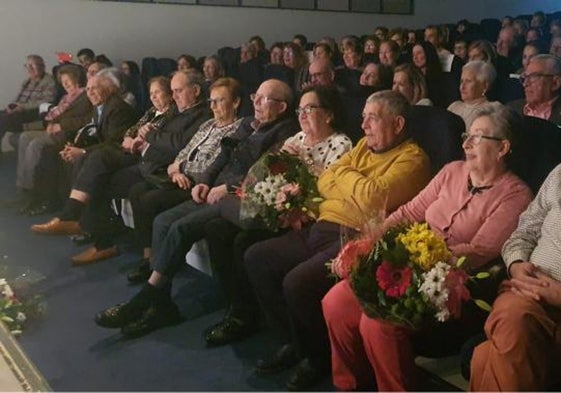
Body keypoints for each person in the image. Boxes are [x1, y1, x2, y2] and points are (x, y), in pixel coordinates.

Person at [323, 103, 533, 391]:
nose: (467, 144)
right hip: (407, 266)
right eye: (466, 137)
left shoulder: (516, 195)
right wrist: (370, 240)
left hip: (451, 284)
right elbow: (409, 212)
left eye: (478, 137)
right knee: (334, 301)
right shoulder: (452, 171)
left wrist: (417, 257)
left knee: (378, 323)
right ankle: (352, 384)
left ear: (503, 148)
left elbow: (478, 252)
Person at [243, 90, 432, 391]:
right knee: (257, 257)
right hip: (321, 225)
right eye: (363, 117)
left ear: (397, 124)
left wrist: (345, 176)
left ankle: (317, 358)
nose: (364, 125)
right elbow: (324, 180)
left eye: (373, 118)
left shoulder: (413, 159)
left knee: (298, 282)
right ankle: (294, 341)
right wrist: (352, 180)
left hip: (356, 235)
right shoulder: (362, 147)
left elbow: (374, 199)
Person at [93, 79, 299, 338]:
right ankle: (162, 305)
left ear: (281, 107)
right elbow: (221, 157)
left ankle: (147, 298)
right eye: (256, 96)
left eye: (264, 99)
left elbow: (265, 171)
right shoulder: (250, 125)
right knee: (163, 221)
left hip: (236, 197)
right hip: (212, 189)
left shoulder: (284, 133)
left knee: (180, 228)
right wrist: (204, 182)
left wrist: (227, 188)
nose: (255, 102)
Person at [202, 85, 353, 347]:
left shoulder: (340, 143)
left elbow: (327, 187)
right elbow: (268, 173)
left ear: (328, 115)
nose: (303, 115)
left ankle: (253, 319)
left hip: (305, 215)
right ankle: (239, 309)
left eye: (310, 109)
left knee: (242, 243)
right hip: (274, 208)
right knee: (216, 229)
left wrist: (300, 164)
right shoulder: (295, 139)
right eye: (300, 110)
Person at [31, 72, 209, 264]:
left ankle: (78, 218)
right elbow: (142, 132)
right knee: (98, 179)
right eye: (172, 91)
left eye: (178, 91)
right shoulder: (174, 111)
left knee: (99, 160)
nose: (174, 96)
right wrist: (142, 138)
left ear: (196, 90)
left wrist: (148, 138)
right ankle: (98, 238)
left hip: (157, 167)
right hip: (146, 162)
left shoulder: (198, 114)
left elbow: (176, 143)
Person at [125, 77, 243, 281]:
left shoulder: (238, 129)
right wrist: (175, 170)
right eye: (211, 101)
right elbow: (183, 153)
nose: (213, 107)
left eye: (219, 101)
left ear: (236, 103)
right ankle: (155, 273)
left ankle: (155, 278)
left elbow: (208, 165)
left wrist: (180, 168)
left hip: (199, 186)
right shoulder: (207, 124)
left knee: (154, 205)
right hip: (181, 179)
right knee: (151, 207)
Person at [470, 163, 561, 391]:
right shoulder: (559, 173)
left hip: (542, 303)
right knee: (513, 317)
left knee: (484, 357)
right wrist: (517, 264)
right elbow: (524, 231)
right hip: (527, 292)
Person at [28, 71, 138, 237]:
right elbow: (97, 135)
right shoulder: (99, 107)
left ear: (108, 89)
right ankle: (81, 223)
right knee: (70, 158)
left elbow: (116, 142)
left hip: (125, 155)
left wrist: (83, 151)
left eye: (95, 88)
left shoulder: (118, 108)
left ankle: (73, 217)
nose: (90, 93)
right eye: (87, 89)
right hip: (108, 153)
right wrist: (75, 147)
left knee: (89, 159)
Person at [17, 64, 92, 216]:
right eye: (63, 82)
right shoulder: (66, 97)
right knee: (24, 137)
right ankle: (25, 185)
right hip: (55, 129)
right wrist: (52, 123)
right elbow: (54, 114)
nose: (65, 85)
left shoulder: (85, 95)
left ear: (76, 79)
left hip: (66, 133)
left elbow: (86, 119)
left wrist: (60, 125)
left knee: (36, 144)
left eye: (68, 81)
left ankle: (32, 189)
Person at [0, 55, 56, 143]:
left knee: (2, 120)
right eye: (27, 66)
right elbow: (18, 98)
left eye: (32, 65)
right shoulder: (27, 81)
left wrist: (23, 107)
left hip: (33, 113)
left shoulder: (49, 81)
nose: (29, 68)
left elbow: (47, 101)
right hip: (19, 111)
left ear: (42, 66)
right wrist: (11, 106)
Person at [508, 54, 561, 125]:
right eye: (525, 78)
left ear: (555, 83)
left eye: (533, 77)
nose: (525, 84)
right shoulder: (512, 109)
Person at [448, 60, 497, 127]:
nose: (462, 87)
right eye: (461, 81)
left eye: (468, 81)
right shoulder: (454, 107)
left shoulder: (492, 110)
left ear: (485, 86)